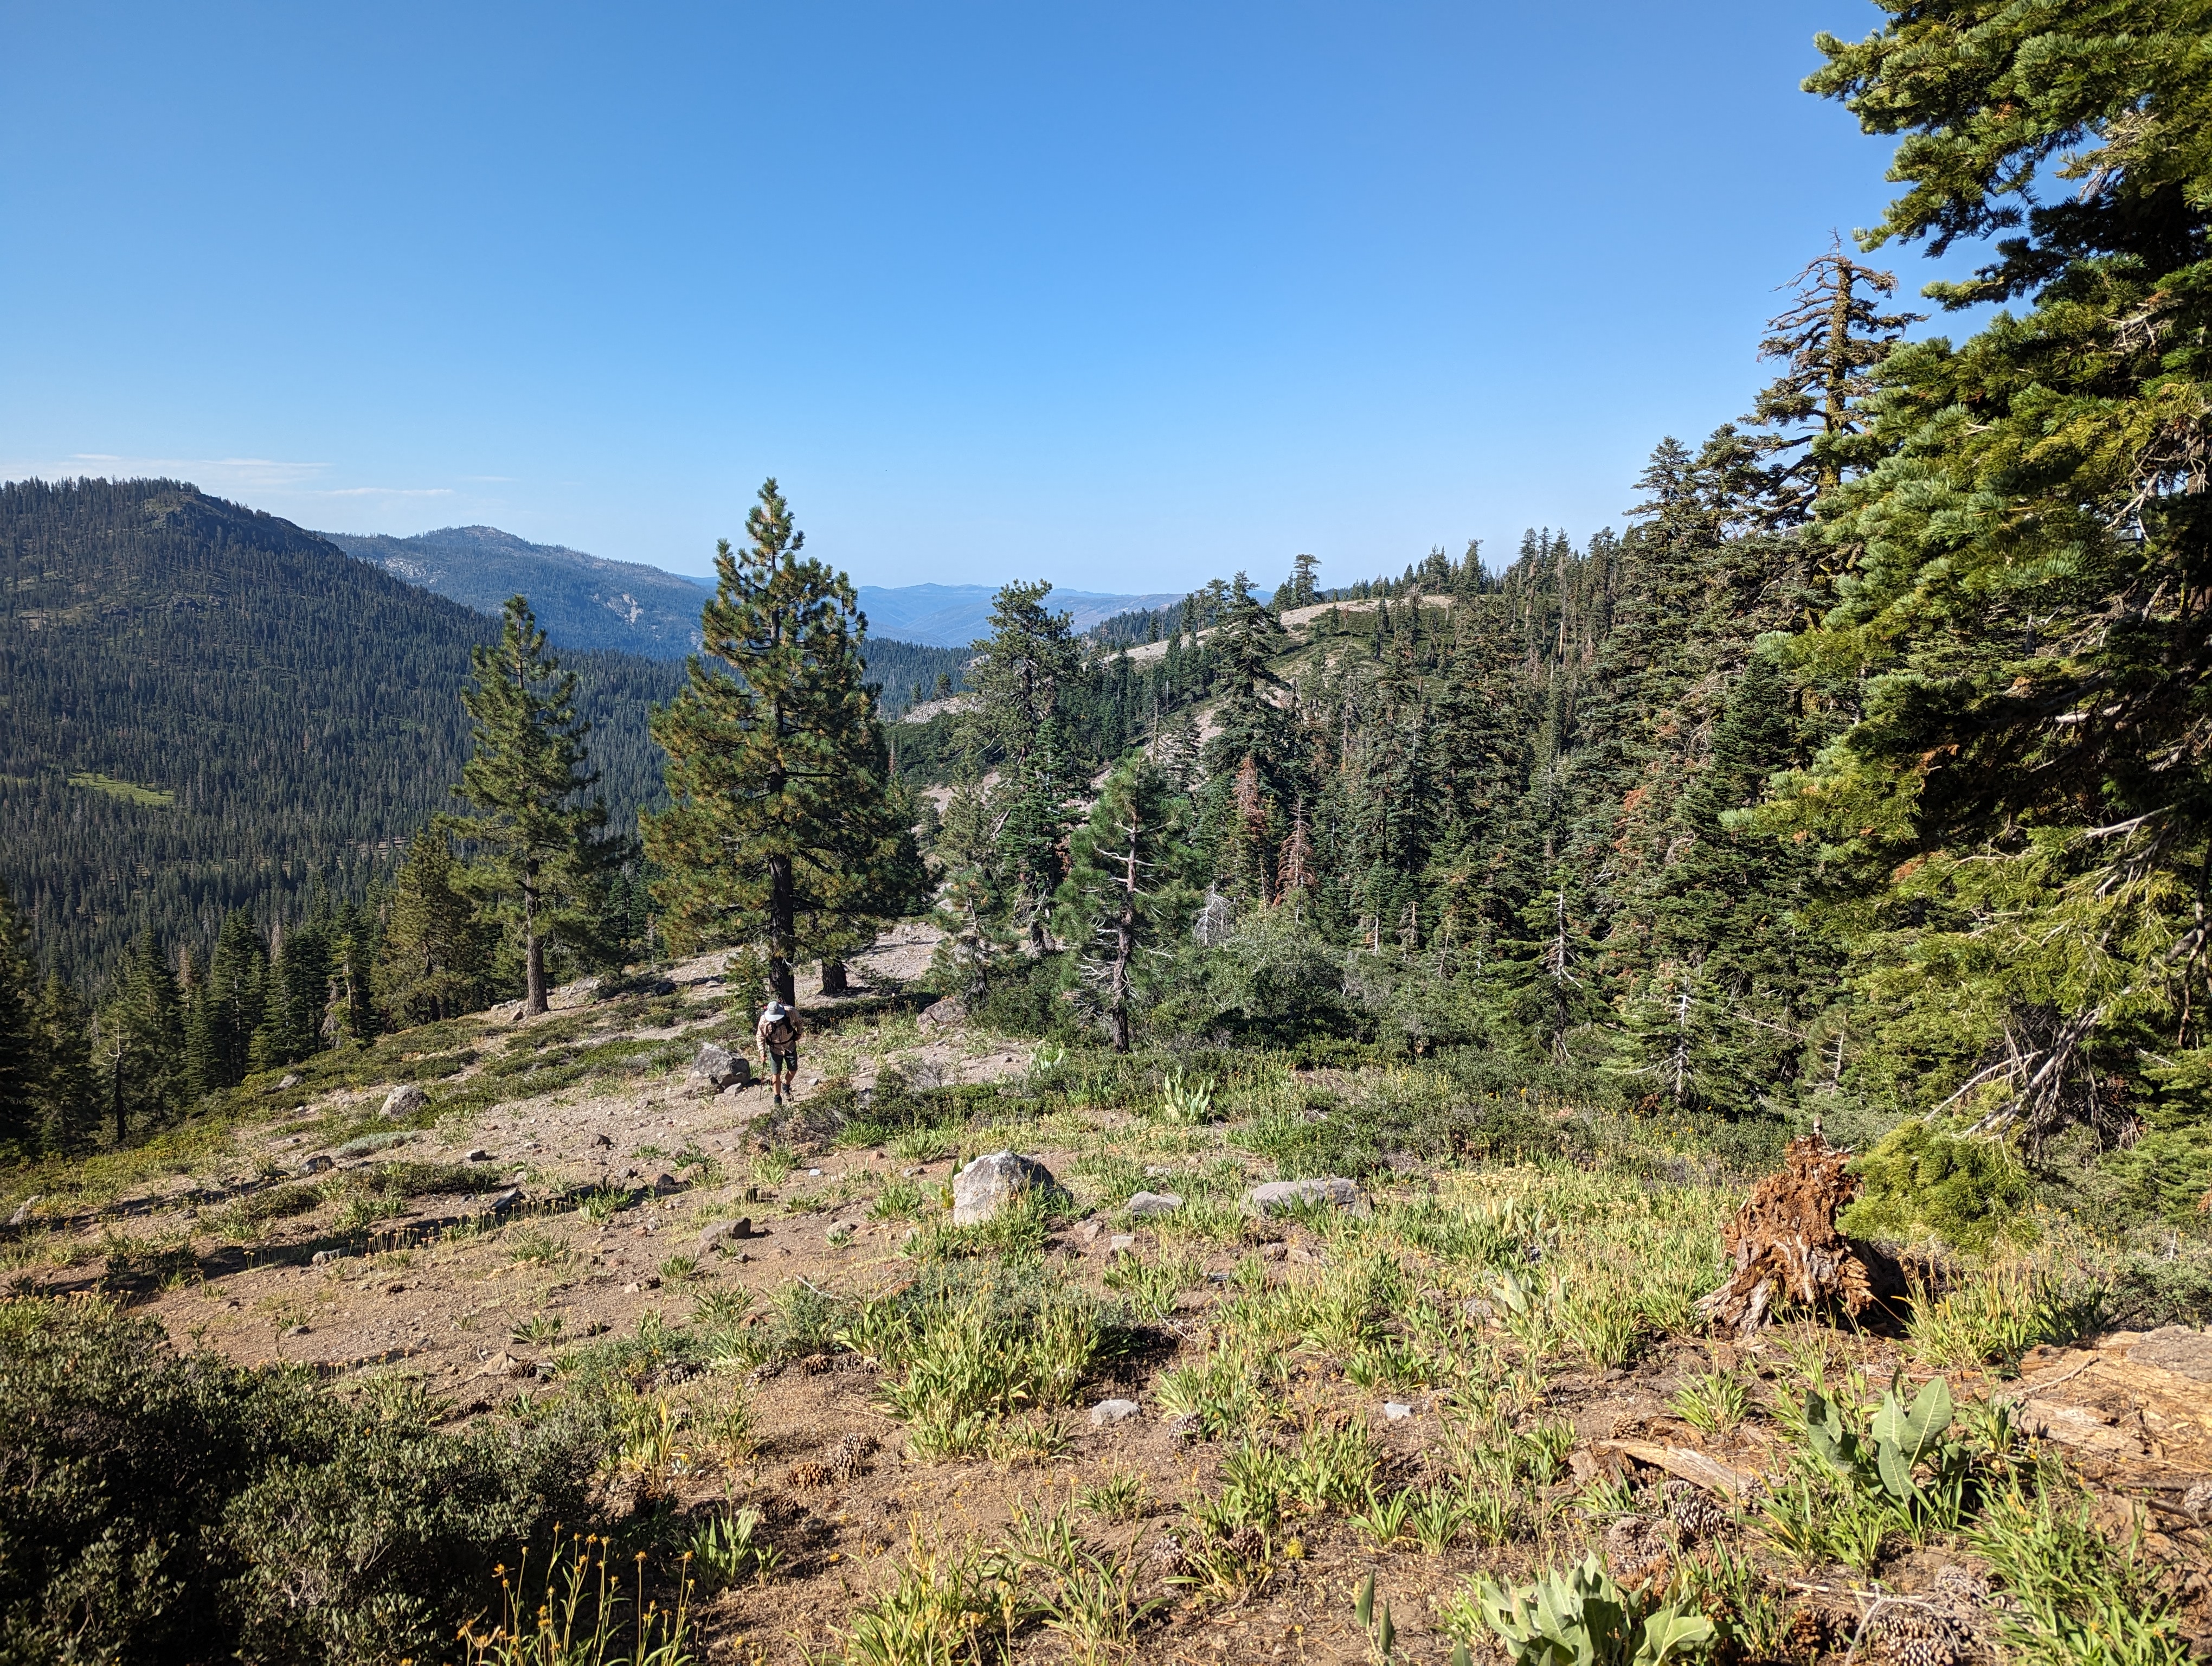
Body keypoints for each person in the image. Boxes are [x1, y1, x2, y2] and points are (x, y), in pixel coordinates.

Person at [755, 998, 803, 1105]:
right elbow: (760, 1037)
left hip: (789, 1045)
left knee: (793, 1069)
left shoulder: (790, 1012)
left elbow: (800, 1021)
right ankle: (777, 1098)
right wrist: (762, 1052)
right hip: (774, 1049)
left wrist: (800, 1033)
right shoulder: (764, 1021)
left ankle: (786, 1084)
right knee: (775, 1074)